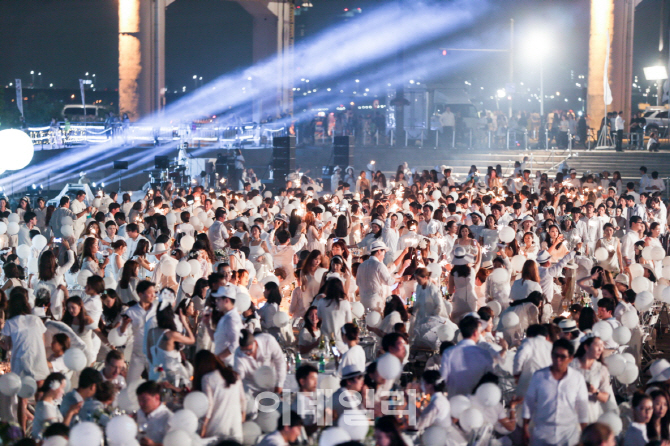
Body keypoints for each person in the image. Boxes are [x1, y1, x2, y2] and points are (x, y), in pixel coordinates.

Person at [523, 338, 589, 446]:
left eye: (562, 357)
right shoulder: (539, 376)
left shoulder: (577, 378)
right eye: (555, 355)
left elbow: (582, 408)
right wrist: (525, 429)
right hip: (542, 434)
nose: (558, 360)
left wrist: (584, 436)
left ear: (570, 358)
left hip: (568, 435)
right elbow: (528, 403)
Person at [192, 350, 245, 441]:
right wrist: (242, 417)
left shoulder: (207, 378)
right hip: (236, 428)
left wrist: (203, 427)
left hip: (216, 427)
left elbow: (209, 405)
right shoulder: (233, 375)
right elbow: (243, 400)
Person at [440, 315, 494, 396]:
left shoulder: (449, 352)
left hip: (454, 400)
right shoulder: (484, 354)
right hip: (476, 402)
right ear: (476, 333)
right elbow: (490, 381)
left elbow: (442, 378)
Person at [234, 329, 286, 395]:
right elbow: (239, 374)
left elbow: (280, 362)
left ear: (255, 342)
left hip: (271, 382)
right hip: (251, 388)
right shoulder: (238, 353)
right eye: (244, 351)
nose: (247, 353)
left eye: (250, 350)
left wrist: (279, 384)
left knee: (281, 402)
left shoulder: (268, 341)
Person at [32, 373, 81, 438]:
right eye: (62, 388)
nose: (63, 392)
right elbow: (58, 434)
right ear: (54, 386)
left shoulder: (51, 404)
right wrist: (70, 413)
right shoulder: (45, 408)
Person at [136, 381, 173, 446]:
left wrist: (154, 444)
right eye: (139, 400)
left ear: (157, 398)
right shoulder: (139, 413)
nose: (140, 404)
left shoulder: (168, 418)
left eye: (144, 400)